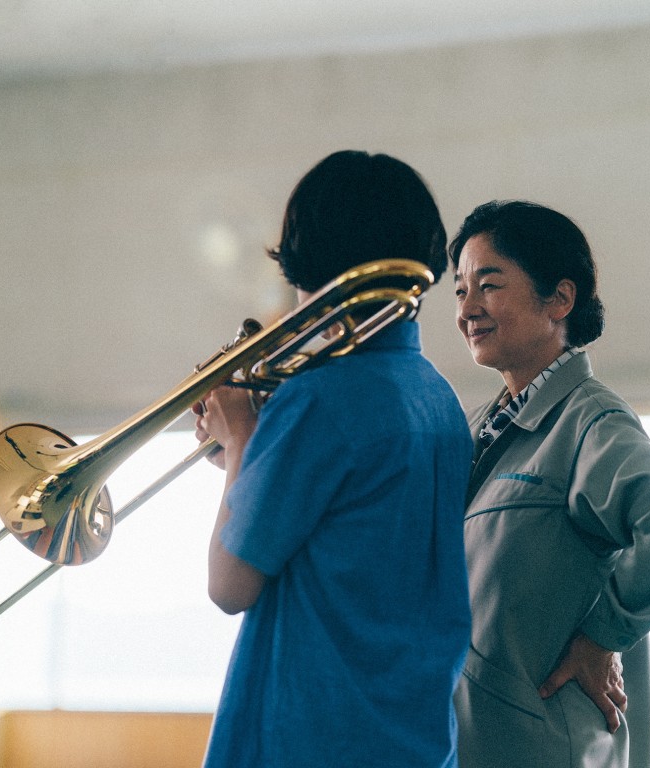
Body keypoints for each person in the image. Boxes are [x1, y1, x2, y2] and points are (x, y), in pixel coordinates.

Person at [194, 150, 473, 768]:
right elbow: (348, 527)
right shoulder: (437, 397)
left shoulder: (318, 398)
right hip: (413, 735)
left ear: (310, 258)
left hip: (315, 735)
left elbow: (229, 585)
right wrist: (253, 458)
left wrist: (242, 438)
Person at [449, 200, 650, 768]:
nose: (468, 309)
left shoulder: (591, 421)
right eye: (459, 291)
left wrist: (604, 635)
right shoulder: (480, 428)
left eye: (489, 285)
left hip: (551, 749)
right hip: (471, 744)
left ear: (559, 299)